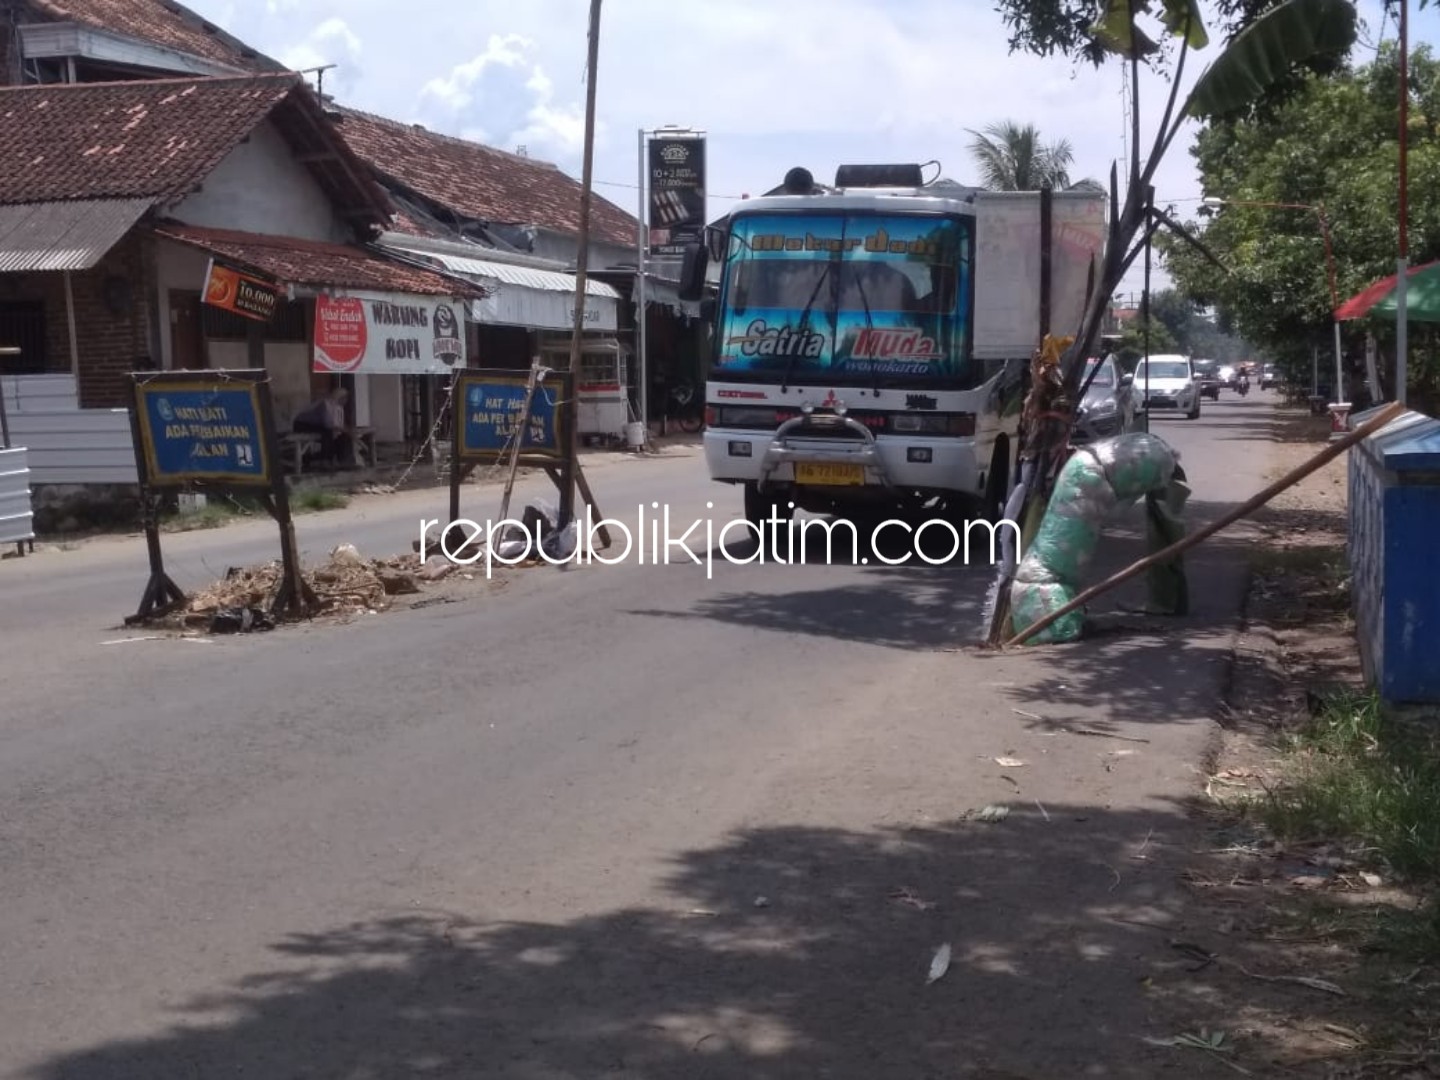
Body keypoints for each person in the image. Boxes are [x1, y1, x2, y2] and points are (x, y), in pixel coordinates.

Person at [292, 386, 352, 467]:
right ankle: (325, 460)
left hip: (317, 425)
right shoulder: (325, 404)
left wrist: (347, 430)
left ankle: (340, 460)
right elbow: (328, 424)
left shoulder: (339, 407)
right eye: (345, 398)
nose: (346, 401)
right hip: (302, 424)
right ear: (340, 397)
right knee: (327, 432)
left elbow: (339, 424)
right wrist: (346, 430)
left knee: (340, 435)